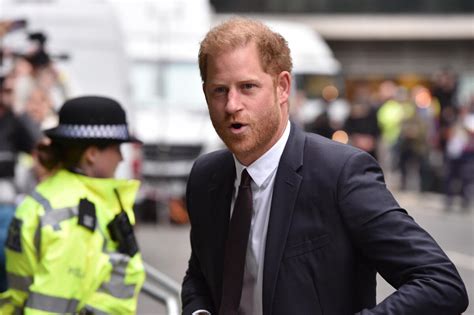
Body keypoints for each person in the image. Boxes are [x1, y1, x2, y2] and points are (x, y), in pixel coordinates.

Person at [181, 18, 468, 315]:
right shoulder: (206, 176)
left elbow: (441, 283)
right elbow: (200, 276)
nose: (231, 105)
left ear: (282, 87)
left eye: (248, 87)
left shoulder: (340, 174)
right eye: (219, 91)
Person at [1, 96, 145, 314]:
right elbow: (52, 305)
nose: (121, 158)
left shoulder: (53, 193)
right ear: (92, 155)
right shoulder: (78, 215)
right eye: (117, 148)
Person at [0, 76, 39, 294]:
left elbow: (37, 142)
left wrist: (17, 110)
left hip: (5, 206)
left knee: (7, 262)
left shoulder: (13, 122)